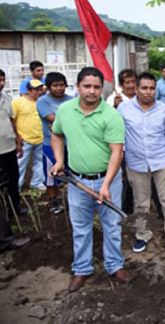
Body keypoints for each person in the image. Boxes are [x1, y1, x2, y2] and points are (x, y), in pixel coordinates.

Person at [50, 67, 129, 293]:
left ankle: (114, 266)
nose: (92, 91)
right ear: (78, 87)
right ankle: (82, 269)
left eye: (97, 87)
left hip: (108, 179)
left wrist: (105, 185)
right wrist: (58, 160)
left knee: (112, 226)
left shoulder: (111, 115)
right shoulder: (65, 110)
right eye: (87, 86)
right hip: (77, 181)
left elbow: (117, 152)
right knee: (81, 227)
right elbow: (56, 134)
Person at [118, 72, 165, 255]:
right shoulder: (124, 109)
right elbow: (118, 136)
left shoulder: (164, 109)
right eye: (144, 88)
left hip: (161, 162)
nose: (148, 92)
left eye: (152, 88)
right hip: (136, 164)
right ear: (136, 89)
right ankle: (142, 234)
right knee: (141, 203)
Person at [36, 72, 72, 214]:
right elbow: (53, 119)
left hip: (71, 143)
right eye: (55, 85)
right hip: (50, 144)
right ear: (48, 87)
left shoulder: (72, 99)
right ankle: (53, 200)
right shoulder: (42, 101)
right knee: (52, 174)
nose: (59, 88)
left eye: (62, 85)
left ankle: (73, 199)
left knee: (73, 172)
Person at [13, 79, 45, 191]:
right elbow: (12, 119)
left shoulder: (42, 102)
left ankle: (37, 182)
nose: (38, 92)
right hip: (24, 138)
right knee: (20, 164)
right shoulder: (18, 102)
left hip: (40, 137)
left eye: (40, 89)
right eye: (35, 90)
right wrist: (17, 137)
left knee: (39, 162)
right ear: (28, 90)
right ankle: (17, 185)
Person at [0, 69, 23, 213]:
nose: (1, 83)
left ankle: (14, 208)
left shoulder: (6, 98)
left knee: (13, 178)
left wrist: (17, 141)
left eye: (3, 80)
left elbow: (11, 120)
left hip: (9, 146)